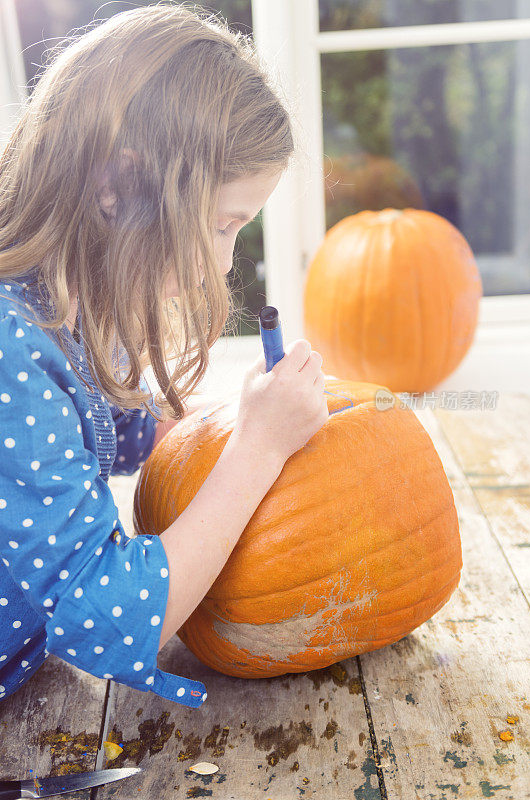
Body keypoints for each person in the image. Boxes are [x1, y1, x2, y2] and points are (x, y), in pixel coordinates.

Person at [0, 3, 328, 708]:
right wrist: (255, 453)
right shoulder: (7, 349)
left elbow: (100, 424)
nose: (225, 260)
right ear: (116, 185)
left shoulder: (63, 295)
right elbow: (113, 621)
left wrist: (222, 428)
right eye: (219, 225)